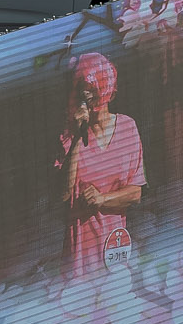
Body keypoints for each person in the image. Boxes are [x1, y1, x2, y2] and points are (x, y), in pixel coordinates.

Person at [58, 51, 143, 286]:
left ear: (108, 90)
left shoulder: (128, 127)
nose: (87, 96)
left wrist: (102, 199)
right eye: (81, 89)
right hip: (79, 254)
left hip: (114, 247)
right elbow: (63, 196)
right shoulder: (68, 133)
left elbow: (135, 193)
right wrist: (76, 137)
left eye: (92, 88)